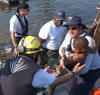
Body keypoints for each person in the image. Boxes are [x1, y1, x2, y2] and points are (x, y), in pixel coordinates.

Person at [0, 35, 85, 95]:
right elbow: (56, 82)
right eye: (39, 53)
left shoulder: (7, 59)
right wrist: (73, 73)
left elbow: (18, 75)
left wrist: (42, 73)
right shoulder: (35, 71)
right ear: (34, 54)